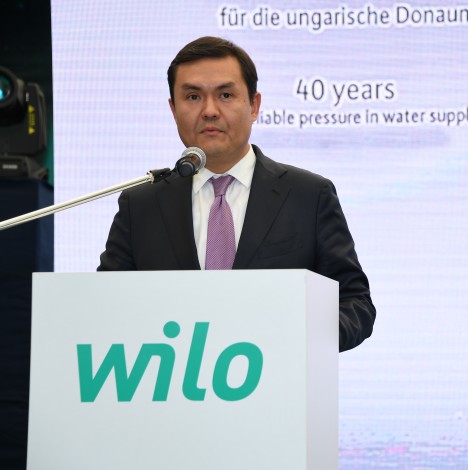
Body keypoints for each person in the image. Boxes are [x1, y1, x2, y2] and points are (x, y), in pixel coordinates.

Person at [97, 36, 375, 352]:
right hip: (167, 379)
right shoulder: (141, 204)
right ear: (173, 109)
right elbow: (105, 306)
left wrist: (299, 340)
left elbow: (354, 303)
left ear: (254, 105)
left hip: (277, 379)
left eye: (226, 95)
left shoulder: (308, 196)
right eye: (192, 96)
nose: (209, 111)